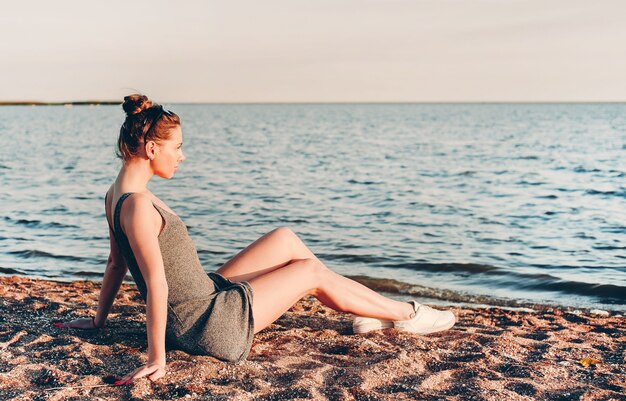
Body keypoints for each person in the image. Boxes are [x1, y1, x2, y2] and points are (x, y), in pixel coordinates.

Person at [55, 94, 456, 385]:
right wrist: (157, 357)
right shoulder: (139, 206)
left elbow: (114, 263)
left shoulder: (114, 193)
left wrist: (97, 320)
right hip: (205, 324)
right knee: (309, 271)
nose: (182, 156)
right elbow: (155, 283)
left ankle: (371, 310)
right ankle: (407, 315)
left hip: (204, 294)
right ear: (151, 146)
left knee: (284, 239)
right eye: (177, 147)